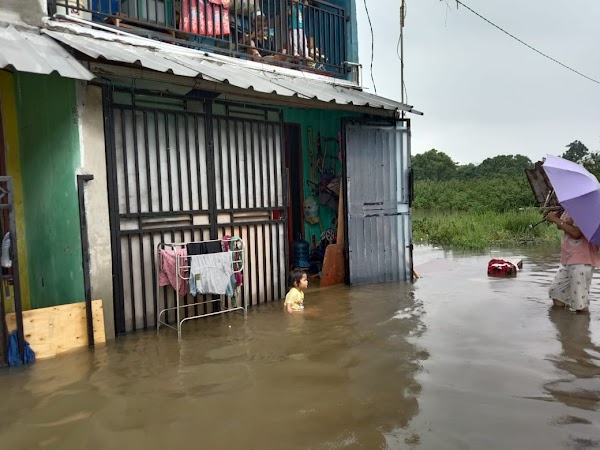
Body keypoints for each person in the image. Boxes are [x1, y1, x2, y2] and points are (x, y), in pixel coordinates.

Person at [546, 209, 600, 312]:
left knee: (580, 302)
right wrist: (558, 219)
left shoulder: (586, 209)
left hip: (581, 260)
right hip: (568, 258)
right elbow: (561, 226)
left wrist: (555, 219)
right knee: (557, 292)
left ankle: (581, 326)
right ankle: (566, 323)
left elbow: (576, 233)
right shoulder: (571, 207)